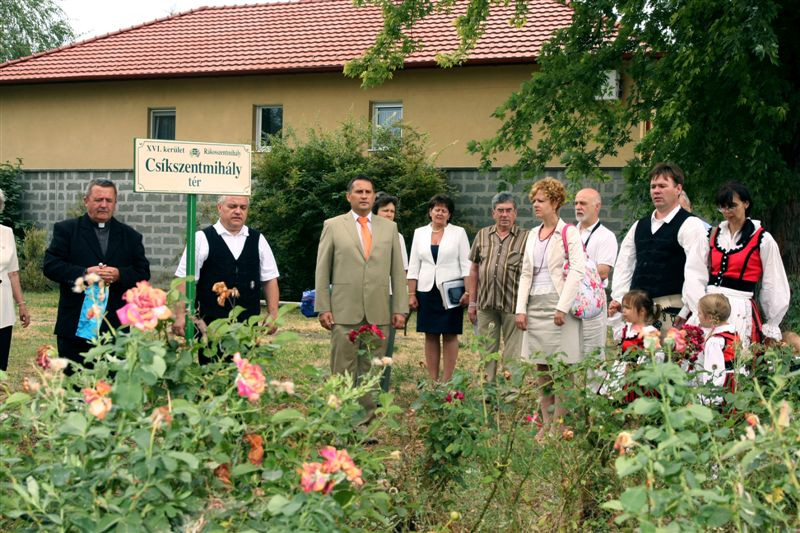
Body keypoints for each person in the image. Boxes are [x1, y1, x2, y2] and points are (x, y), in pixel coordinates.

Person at [315, 175, 408, 422]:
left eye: (368, 192)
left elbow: (398, 271)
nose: (364, 196)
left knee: (370, 369)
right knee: (342, 368)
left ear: (374, 196)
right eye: (359, 192)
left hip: (378, 311)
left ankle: (364, 422)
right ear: (349, 197)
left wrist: (400, 307)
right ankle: (340, 420)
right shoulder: (333, 225)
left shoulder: (389, 228)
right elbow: (322, 269)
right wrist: (323, 306)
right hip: (344, 310)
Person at [43, 178, 150, 371]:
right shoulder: (66, 230)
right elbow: (51, 266)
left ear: (115, 203)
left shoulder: (131, 236)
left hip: (116, 327)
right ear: (86, 201)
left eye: (109, 200)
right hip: (76, 325)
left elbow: (143, 272)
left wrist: (119, 274)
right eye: (98, 199)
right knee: (76, 384)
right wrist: (84, 273)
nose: (103, 205)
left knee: (113, 387)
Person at [515, 178, 585, 438]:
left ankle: (560, 424)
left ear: (555, 203)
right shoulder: (533, 233)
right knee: (542, 367)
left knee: (563, 367)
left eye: (541, 200)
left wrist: (562, 307)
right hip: (535, 304)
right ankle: (546, 424)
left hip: (559, 306)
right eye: (534, 200)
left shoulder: (569, 232)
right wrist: (520, 308)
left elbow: (577, 270)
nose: (535, 204)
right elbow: (525, 273)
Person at [172, 195, 280, 364]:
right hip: (210, 326)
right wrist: (180, 315)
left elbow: (270, 279)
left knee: (245, 377)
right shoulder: (201, 238)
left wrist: (273, 314)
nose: (238, 211)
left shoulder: (258, 239)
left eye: (243, 208)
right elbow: (184, 280)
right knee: (213, 374)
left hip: (247, 324)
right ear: (219, 208)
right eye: (232, 206)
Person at [610, 162, 709, 334]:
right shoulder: (640, 225)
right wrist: (620, 298)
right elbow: (624, 265)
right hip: (638, 308)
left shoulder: (690, 224)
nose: (656, 190)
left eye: (663, 186)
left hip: (672, 308)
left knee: (665, 357)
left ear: (678, 189)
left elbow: (696, 272)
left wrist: (688, 310)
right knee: (634, 357)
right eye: (653, 186)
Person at [707, 181, 790, 349]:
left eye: (732, 206)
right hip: (707, 305)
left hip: (738, 308)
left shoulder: (762, 239)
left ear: (746, 203)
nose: (727, 212)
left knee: (734, 359)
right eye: (722, 207)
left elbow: (774, 281)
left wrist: (772, 323)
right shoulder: (713, 235)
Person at [408, 193, 471, 382]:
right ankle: (433, 380)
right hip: (426, 291)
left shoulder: (458, 233)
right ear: (430, 212)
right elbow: (413, 265)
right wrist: (411, 293)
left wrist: (468, 292)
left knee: (450, 334)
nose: (440, 213)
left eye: (444, 210)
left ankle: (447, 380)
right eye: (437, 209)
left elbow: (466, 265)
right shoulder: (420, 233)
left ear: (449, 215)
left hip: (451, 293)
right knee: (431, 334)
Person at [467, 192, 529, 381]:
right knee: (487, 352)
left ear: (515, 213)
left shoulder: (526, 238)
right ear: (493, 213)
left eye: (508, 210)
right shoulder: (483, 235)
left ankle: (508, 397)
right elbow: (474, 269)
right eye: (500, 210)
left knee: (512, 354)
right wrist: (472, 302)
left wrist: (525, 307)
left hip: (513, 306)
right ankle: (487, 393)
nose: (504, 215)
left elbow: (530, 273)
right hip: (486, 305)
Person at [573, 188, 618, 373]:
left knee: (593, 355)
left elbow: (603, 271)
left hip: (593, 301)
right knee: (570, 353)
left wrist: (572, 272)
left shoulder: (605, 236)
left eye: (583, 203)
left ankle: (594, 399)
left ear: (597, 206)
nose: (578, 207)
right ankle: (570, 399)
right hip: (570, 300)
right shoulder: (569, 233)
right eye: (576, 203)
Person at [372, 192, 409, 392]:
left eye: (392, 211)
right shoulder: (363, 232)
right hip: (366, 294)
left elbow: (402, 271)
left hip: (389, 294)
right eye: (385, 210)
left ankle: (381, 390)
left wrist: (401, 305)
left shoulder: (398, 237)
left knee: (385, 344)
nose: (389, 214)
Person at [604, 290, 662, 403]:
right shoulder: (628, 328)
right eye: (623, 307)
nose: (623, 311)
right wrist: (615, 316)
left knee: (636, 403)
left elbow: (658, 355)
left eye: (627, 308)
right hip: (624, 371)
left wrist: (643, 365)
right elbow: (618, 337)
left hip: (639, 377)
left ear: (642, 311)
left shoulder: (649, 332)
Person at [0, 189, 30, 371]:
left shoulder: (7, 233)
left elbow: (13, 273)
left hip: (3, 306)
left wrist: (22, 304)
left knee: (0, 362)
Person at [694, 293, 740, 394]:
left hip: (723, 386)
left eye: (700, 313)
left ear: (710, 317)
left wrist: (710, 397)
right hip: (735, 382)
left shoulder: (715, 341)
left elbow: (714, 371)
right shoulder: (732, 332)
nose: (697, 315)